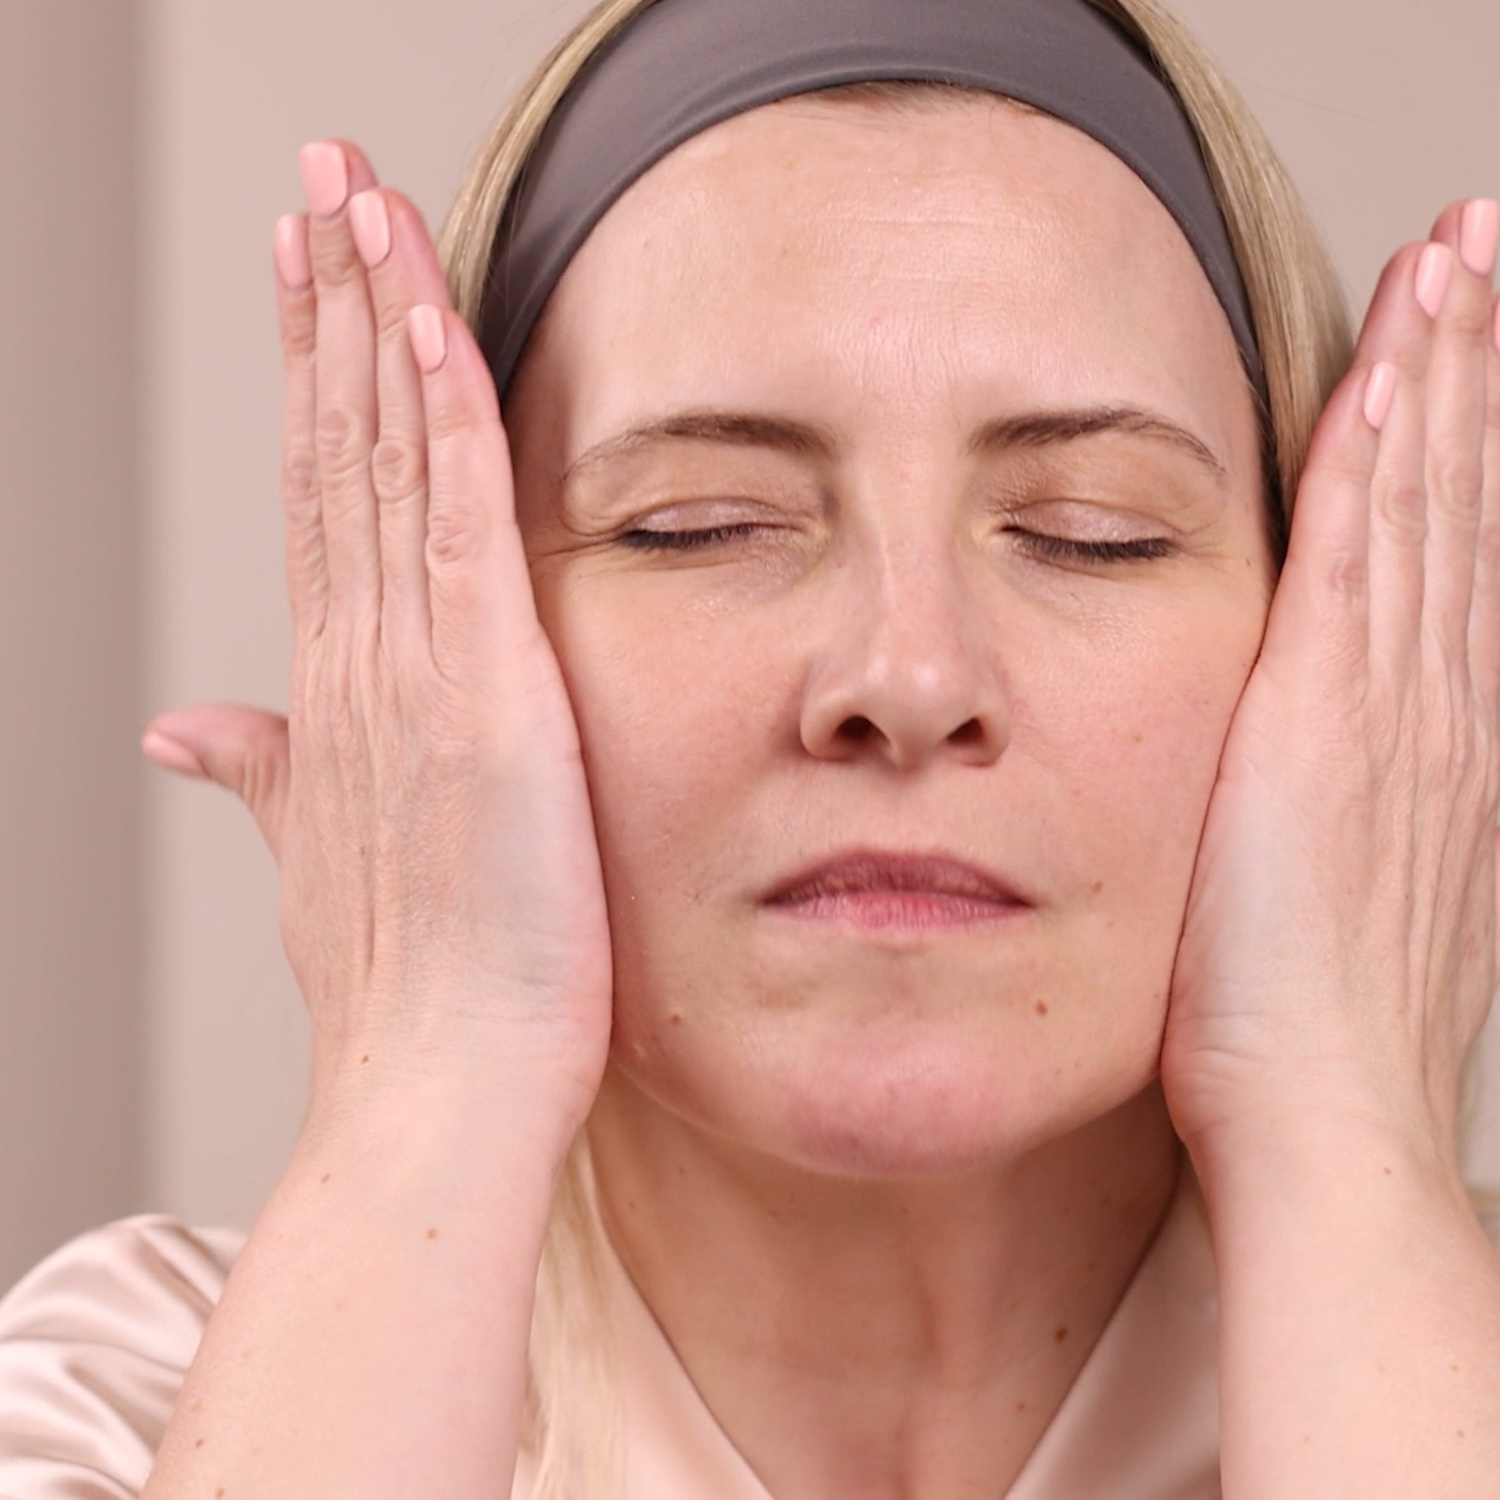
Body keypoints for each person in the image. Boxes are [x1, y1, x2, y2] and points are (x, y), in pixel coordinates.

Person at [2, 0, 1499, 1493]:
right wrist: (423, 1094)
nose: (908, 675)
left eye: (1088, 533)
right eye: (698, 525)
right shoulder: (131, 1396)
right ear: (455, 642)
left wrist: (1345, 1132)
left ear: (1328, 636)